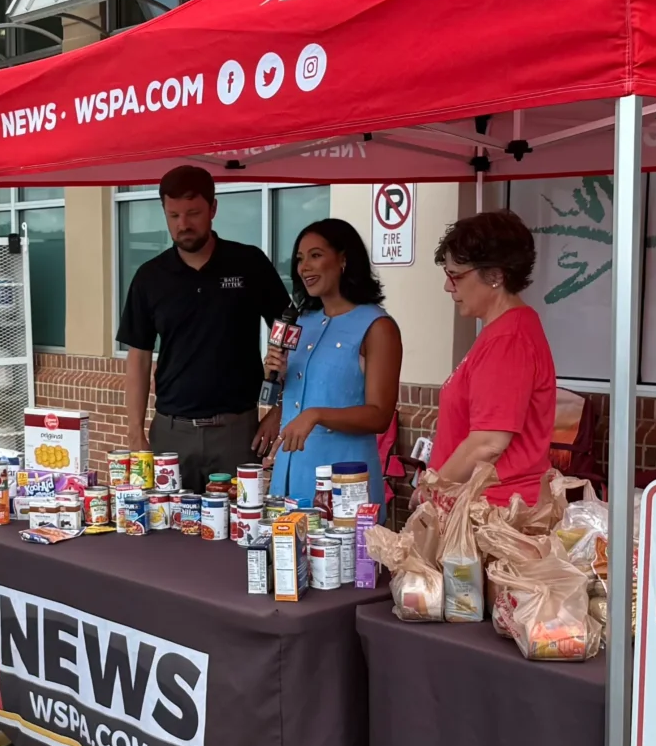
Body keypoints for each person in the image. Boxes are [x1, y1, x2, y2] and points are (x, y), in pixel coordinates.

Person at [120, 165, 291, 487]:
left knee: (241, 518)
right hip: (170, 434)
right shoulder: (150, 277)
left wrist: (280, 410)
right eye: (173, 215)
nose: (183, 224)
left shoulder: (249, 264)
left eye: (193, 213)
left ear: (213, 208)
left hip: (238, 433)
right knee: (165, 519)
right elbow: (138, 357)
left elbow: (292, 336)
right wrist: (134, 433)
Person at [257, 218, 401, 505]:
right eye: (300, 259)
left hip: (344, 482)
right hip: (291, 475)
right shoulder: (301, 321)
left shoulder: (377, 327)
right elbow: (298, 396)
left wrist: (316, 415)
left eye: (315, 255)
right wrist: (275, 376)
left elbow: (380, 415)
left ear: (344, 259)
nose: (304, 267)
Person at [427, 210, 558, 507]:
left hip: (494, 509)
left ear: (496, 276)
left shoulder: (508, 338)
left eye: (455, 275)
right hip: (487, 504)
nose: (448, 286)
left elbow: (488, 443)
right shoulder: (505, 330)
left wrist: (433, 490)